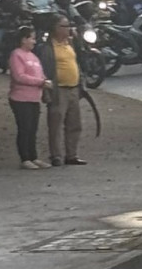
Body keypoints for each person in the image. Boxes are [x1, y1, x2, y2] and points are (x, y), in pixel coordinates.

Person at [36, 15, 87, 167]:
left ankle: (72, 154)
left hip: (73, 88)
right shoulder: (47, 48)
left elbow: (78, 62)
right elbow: (44, 70)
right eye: (64, 26)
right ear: (55, 28)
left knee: (74, 123)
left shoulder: (70, 43)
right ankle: (56, 155)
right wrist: (46, 90)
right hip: (59, 89)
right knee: (56, 124)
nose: (68, 29)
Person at [9, 26, 53, 170]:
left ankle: (33, 156)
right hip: (20, 98)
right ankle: (25, 157)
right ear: (24, 39)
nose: (34, 41)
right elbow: (19, 76)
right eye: (32, 38)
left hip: (34, 98)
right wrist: (40, 82)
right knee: (25, 128)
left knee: (33, 128)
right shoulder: (17, 55)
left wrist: (45, 81)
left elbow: (40, 74)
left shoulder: (34, 57)